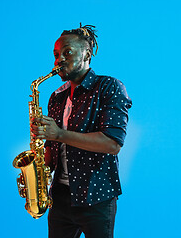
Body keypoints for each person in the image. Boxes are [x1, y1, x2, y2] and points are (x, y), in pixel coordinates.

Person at [31, 24, 132, 238]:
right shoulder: (56, 97)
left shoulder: (109, 87)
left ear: (86, 54)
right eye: (56, 54)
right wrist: (38, 160)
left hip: (96, 195)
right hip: (59, 197)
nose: (59, 60)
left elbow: (112, 144)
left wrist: (58, 134)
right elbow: (53, 150)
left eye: (67, 52)